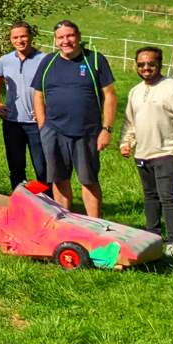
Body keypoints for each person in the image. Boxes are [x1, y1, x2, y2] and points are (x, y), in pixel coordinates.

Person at [118, 45, 173, 260]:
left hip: (168, 152)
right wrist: (126, 142)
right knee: (150, 197)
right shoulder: (135, 91)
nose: (146, 68)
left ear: (160, 64)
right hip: (143, 154)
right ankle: (152, 237)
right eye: (141, 64)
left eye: (151, 64)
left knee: (167, 196)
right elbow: (130, 122)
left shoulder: (172, 88)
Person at [30, 20, 118, 218]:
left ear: (78, 36)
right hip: (53, 131)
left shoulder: (95, 60)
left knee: (88, 180)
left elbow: (110, 95)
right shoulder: (48, 61)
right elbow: (37, 94)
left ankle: (94, 224)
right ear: (55, 40)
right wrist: (43, 125)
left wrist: (107, 129)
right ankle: (64, 222)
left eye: (69, 36)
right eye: (60, 37)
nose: (65, 41)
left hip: (87, 132)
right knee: (59, 179)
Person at [0, 20, 47, 190]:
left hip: (37, 123)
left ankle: (47, 206)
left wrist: (46, 110)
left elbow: (55, 87)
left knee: (42, 168)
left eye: (23, 36)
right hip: (12, 122)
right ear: (10, 39)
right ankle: (20, 203)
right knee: (16, 168)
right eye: (15, 37)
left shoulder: (44, 59)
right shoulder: (4, 60)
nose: (19, 40)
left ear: (30, 37)